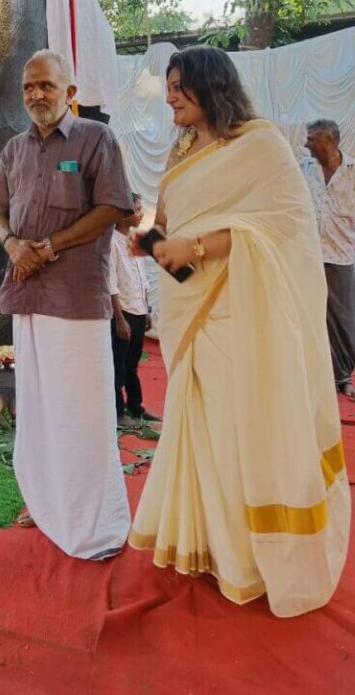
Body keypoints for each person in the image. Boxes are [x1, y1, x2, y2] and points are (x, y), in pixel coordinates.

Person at [128, 46, 349, 617]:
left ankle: (252, 559)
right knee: (202, 434)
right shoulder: (180, 154)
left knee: (240, 432)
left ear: (211, 86)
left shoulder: (261, 145)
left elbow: (281, 228)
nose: (171, 96)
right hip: (191, 311)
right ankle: (211, 547)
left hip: (240, 313)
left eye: (180, 86)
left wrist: (197, 245)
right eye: (169, 86)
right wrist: (148, 234)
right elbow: (170, 228)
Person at [0, 50, 133, 560]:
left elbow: (115, 207)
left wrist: (47, 247)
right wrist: (12, 246)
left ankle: (96, 526)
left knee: (83, 414)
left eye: (46, 86)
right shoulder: (14, 149)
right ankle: (46, 503)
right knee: (40, 409)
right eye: (29, 87)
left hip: (74, 298)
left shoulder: (96, 139)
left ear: (70, 92)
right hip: (27, 296)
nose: (35, 95)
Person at [301, 119, 355, 398]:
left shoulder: (352, 172)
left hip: (341, 255)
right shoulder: (304, 169)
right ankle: (310, 376)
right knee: (307, 317)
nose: (306, 143)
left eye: (312, 139)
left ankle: (343, 377)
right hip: (307, 256)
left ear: (330, 142)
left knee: (343, 322)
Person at [109, 193, 158, 428]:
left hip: (138, 310)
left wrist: (147, 310)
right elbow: (111, 285)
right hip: (123, 312)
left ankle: (136, 407)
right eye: (137, 210)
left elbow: (143, 279)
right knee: (119, 364)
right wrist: (119, 319)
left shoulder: (136, 240)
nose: (141, 214)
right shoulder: (111, 243)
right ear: (125, 214)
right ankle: (118, 412)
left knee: (133, 364)